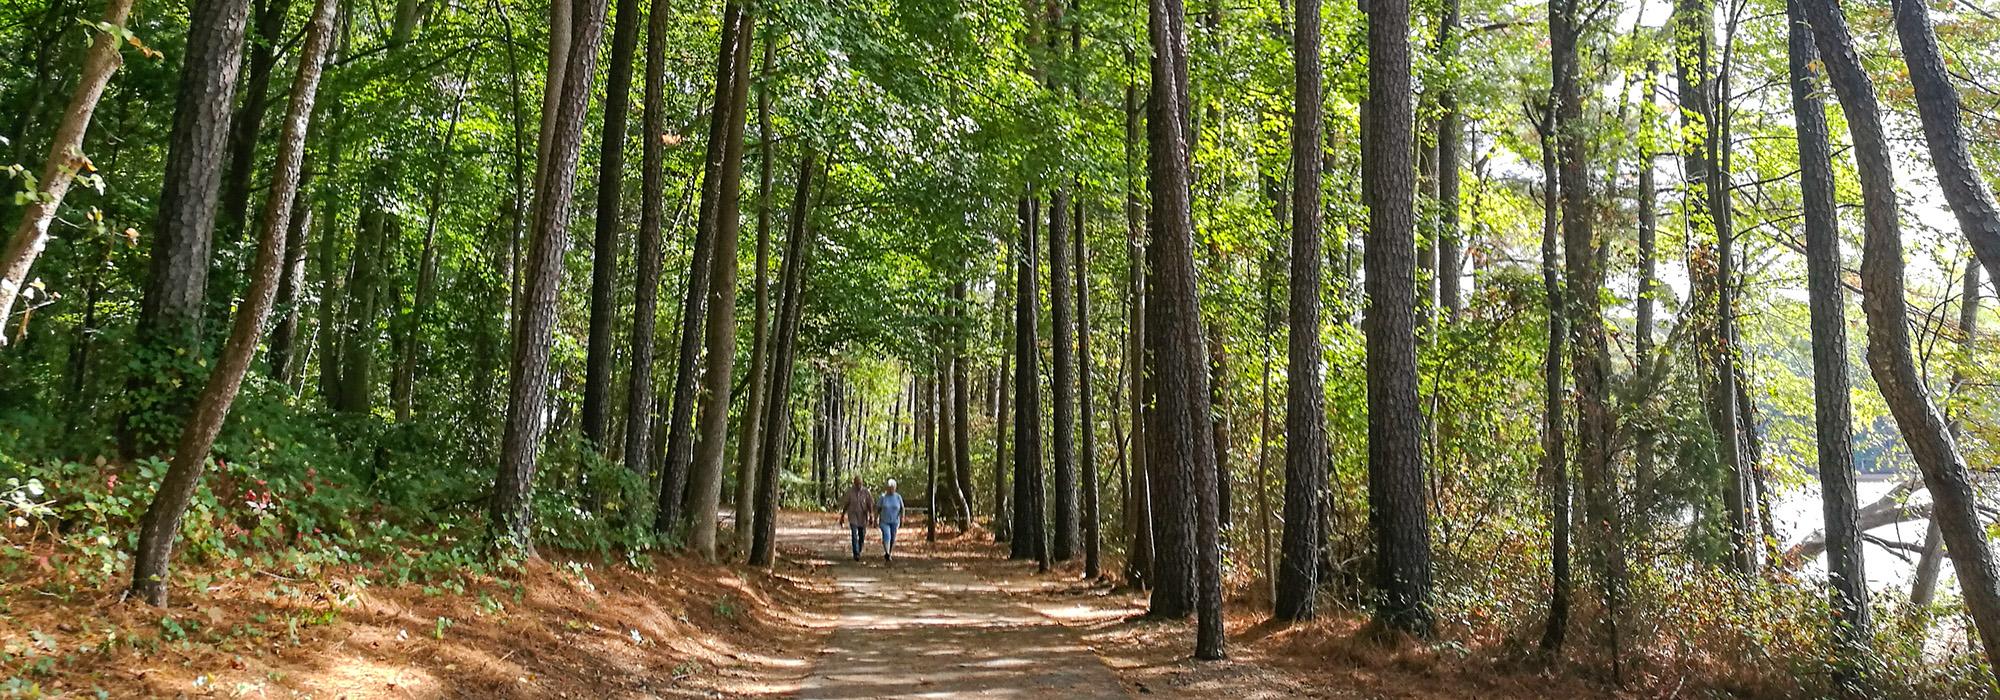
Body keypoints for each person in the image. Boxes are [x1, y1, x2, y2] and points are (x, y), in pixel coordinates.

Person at [838, 476, 873, 562]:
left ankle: (859, 549)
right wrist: (842, 515)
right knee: (854, 534)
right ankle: (856, 553)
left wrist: (871, 515)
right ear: (854, 483)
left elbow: (870, 504)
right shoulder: (850, 492)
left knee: (861, 535)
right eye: (857, 484)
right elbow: (846, 504)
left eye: (860, 483)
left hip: (863, 517)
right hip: (853, 516)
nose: (858, 485)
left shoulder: (866, 492)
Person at [878, 479, 905, 562]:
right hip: (884, 521)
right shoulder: (883, 497)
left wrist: (902, 518)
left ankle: (889, 552)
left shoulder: (898, 497)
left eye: (893, 488)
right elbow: (878, 508)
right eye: (890, 488)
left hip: (895, 521)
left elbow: (902, 508)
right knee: (887, 535)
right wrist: (875, 518)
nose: (891, 489)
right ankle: (887, 553)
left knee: (892, 537)